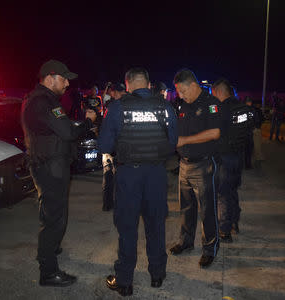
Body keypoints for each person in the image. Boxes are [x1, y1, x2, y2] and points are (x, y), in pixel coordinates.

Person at [99, 68, 177, 296]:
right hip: (156, 175)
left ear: (128, 84)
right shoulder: (165, 107)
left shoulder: (118, 107)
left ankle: (124, 281)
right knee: (156, 225)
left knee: (127, 227)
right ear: (150, 84)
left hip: (128, 176)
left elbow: (104, 146)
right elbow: (172, 143)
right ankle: (157, 275)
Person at [21, 59, 97, 287]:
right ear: (50, 77)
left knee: (51, 213)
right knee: (55, 218)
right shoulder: (44, 102)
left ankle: (49, 249)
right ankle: (48, 271)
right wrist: (87, 122)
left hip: (47, 165)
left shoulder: (37, 100)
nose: (67, 84)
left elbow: (58, 126)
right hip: (50, 168)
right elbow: (66, 131)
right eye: (64, 79)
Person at [169, 69, 221, 268]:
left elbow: (215, 132)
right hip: (184, 164)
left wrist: (185, 140)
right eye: (178, 92)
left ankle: (209, 249)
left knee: (207, 209)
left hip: (202, 164)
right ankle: (185, 241)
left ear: (193, 85)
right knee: (186, 207)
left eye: (183, 91)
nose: (181, 96)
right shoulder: (183, 105)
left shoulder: (211, 104)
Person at [212, 79, 254, 242]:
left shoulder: (221, 109)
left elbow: (215, 132)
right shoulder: (244, 108)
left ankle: (224, 229)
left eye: (213, 93)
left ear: (218, 92)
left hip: (225, 156)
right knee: (232, 191)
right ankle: (235, 222)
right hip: (239, 156)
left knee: (222, 194)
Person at [101, 82, 127, 211]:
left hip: (110, 146)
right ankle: (111, 204)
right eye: (120, 92)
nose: (122, 95)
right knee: (114, 177)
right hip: (115, 147)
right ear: (114, 93)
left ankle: (108, 205)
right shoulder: (112, 104)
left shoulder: (112, 105)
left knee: (109, 176)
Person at [245, 97, 264, 169]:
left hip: (243, 132)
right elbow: (257, 120)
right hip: (250, 132)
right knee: (249, 149)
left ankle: (244, 164)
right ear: (250, 102)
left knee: (244, 149)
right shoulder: (253, 110)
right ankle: (248, 165)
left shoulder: (241, 110)